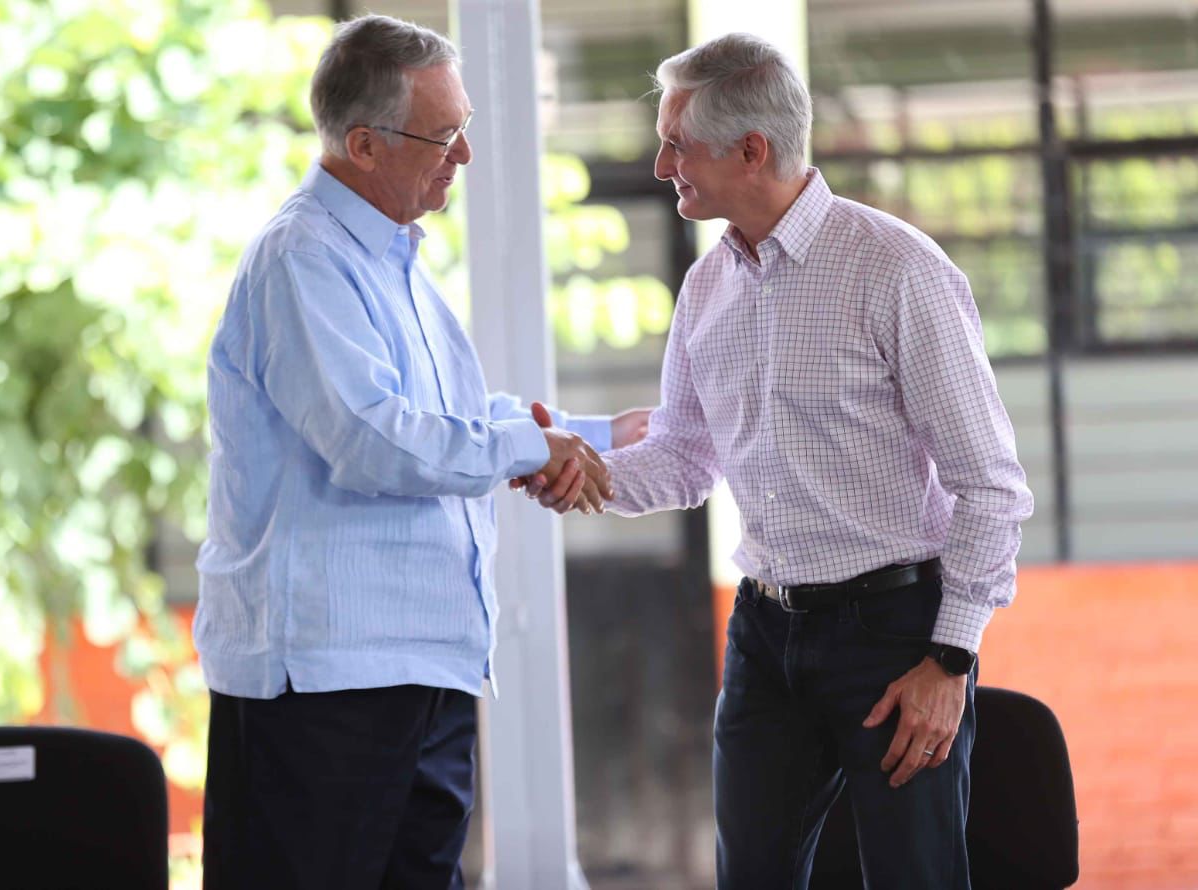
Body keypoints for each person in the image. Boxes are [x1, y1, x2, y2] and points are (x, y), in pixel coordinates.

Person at [532, 32, 1034, 889]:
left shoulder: (897, 270)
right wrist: (591, 473)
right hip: (766, 634)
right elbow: (688, 458)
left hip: (893, 635)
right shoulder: (706, 287)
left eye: (676, 144)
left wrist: (951, 660)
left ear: (751, 150)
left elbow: (990, 487)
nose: (661, 166)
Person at [192, 15, 648, 889]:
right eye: (444, 136)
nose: (465, 156)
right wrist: (526, 446)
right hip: (326, 684)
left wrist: (583, 439)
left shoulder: (393, 261)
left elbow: (448, 416)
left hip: (417, 667)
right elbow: (370, 437)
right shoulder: (303, 259)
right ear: (363, 144)